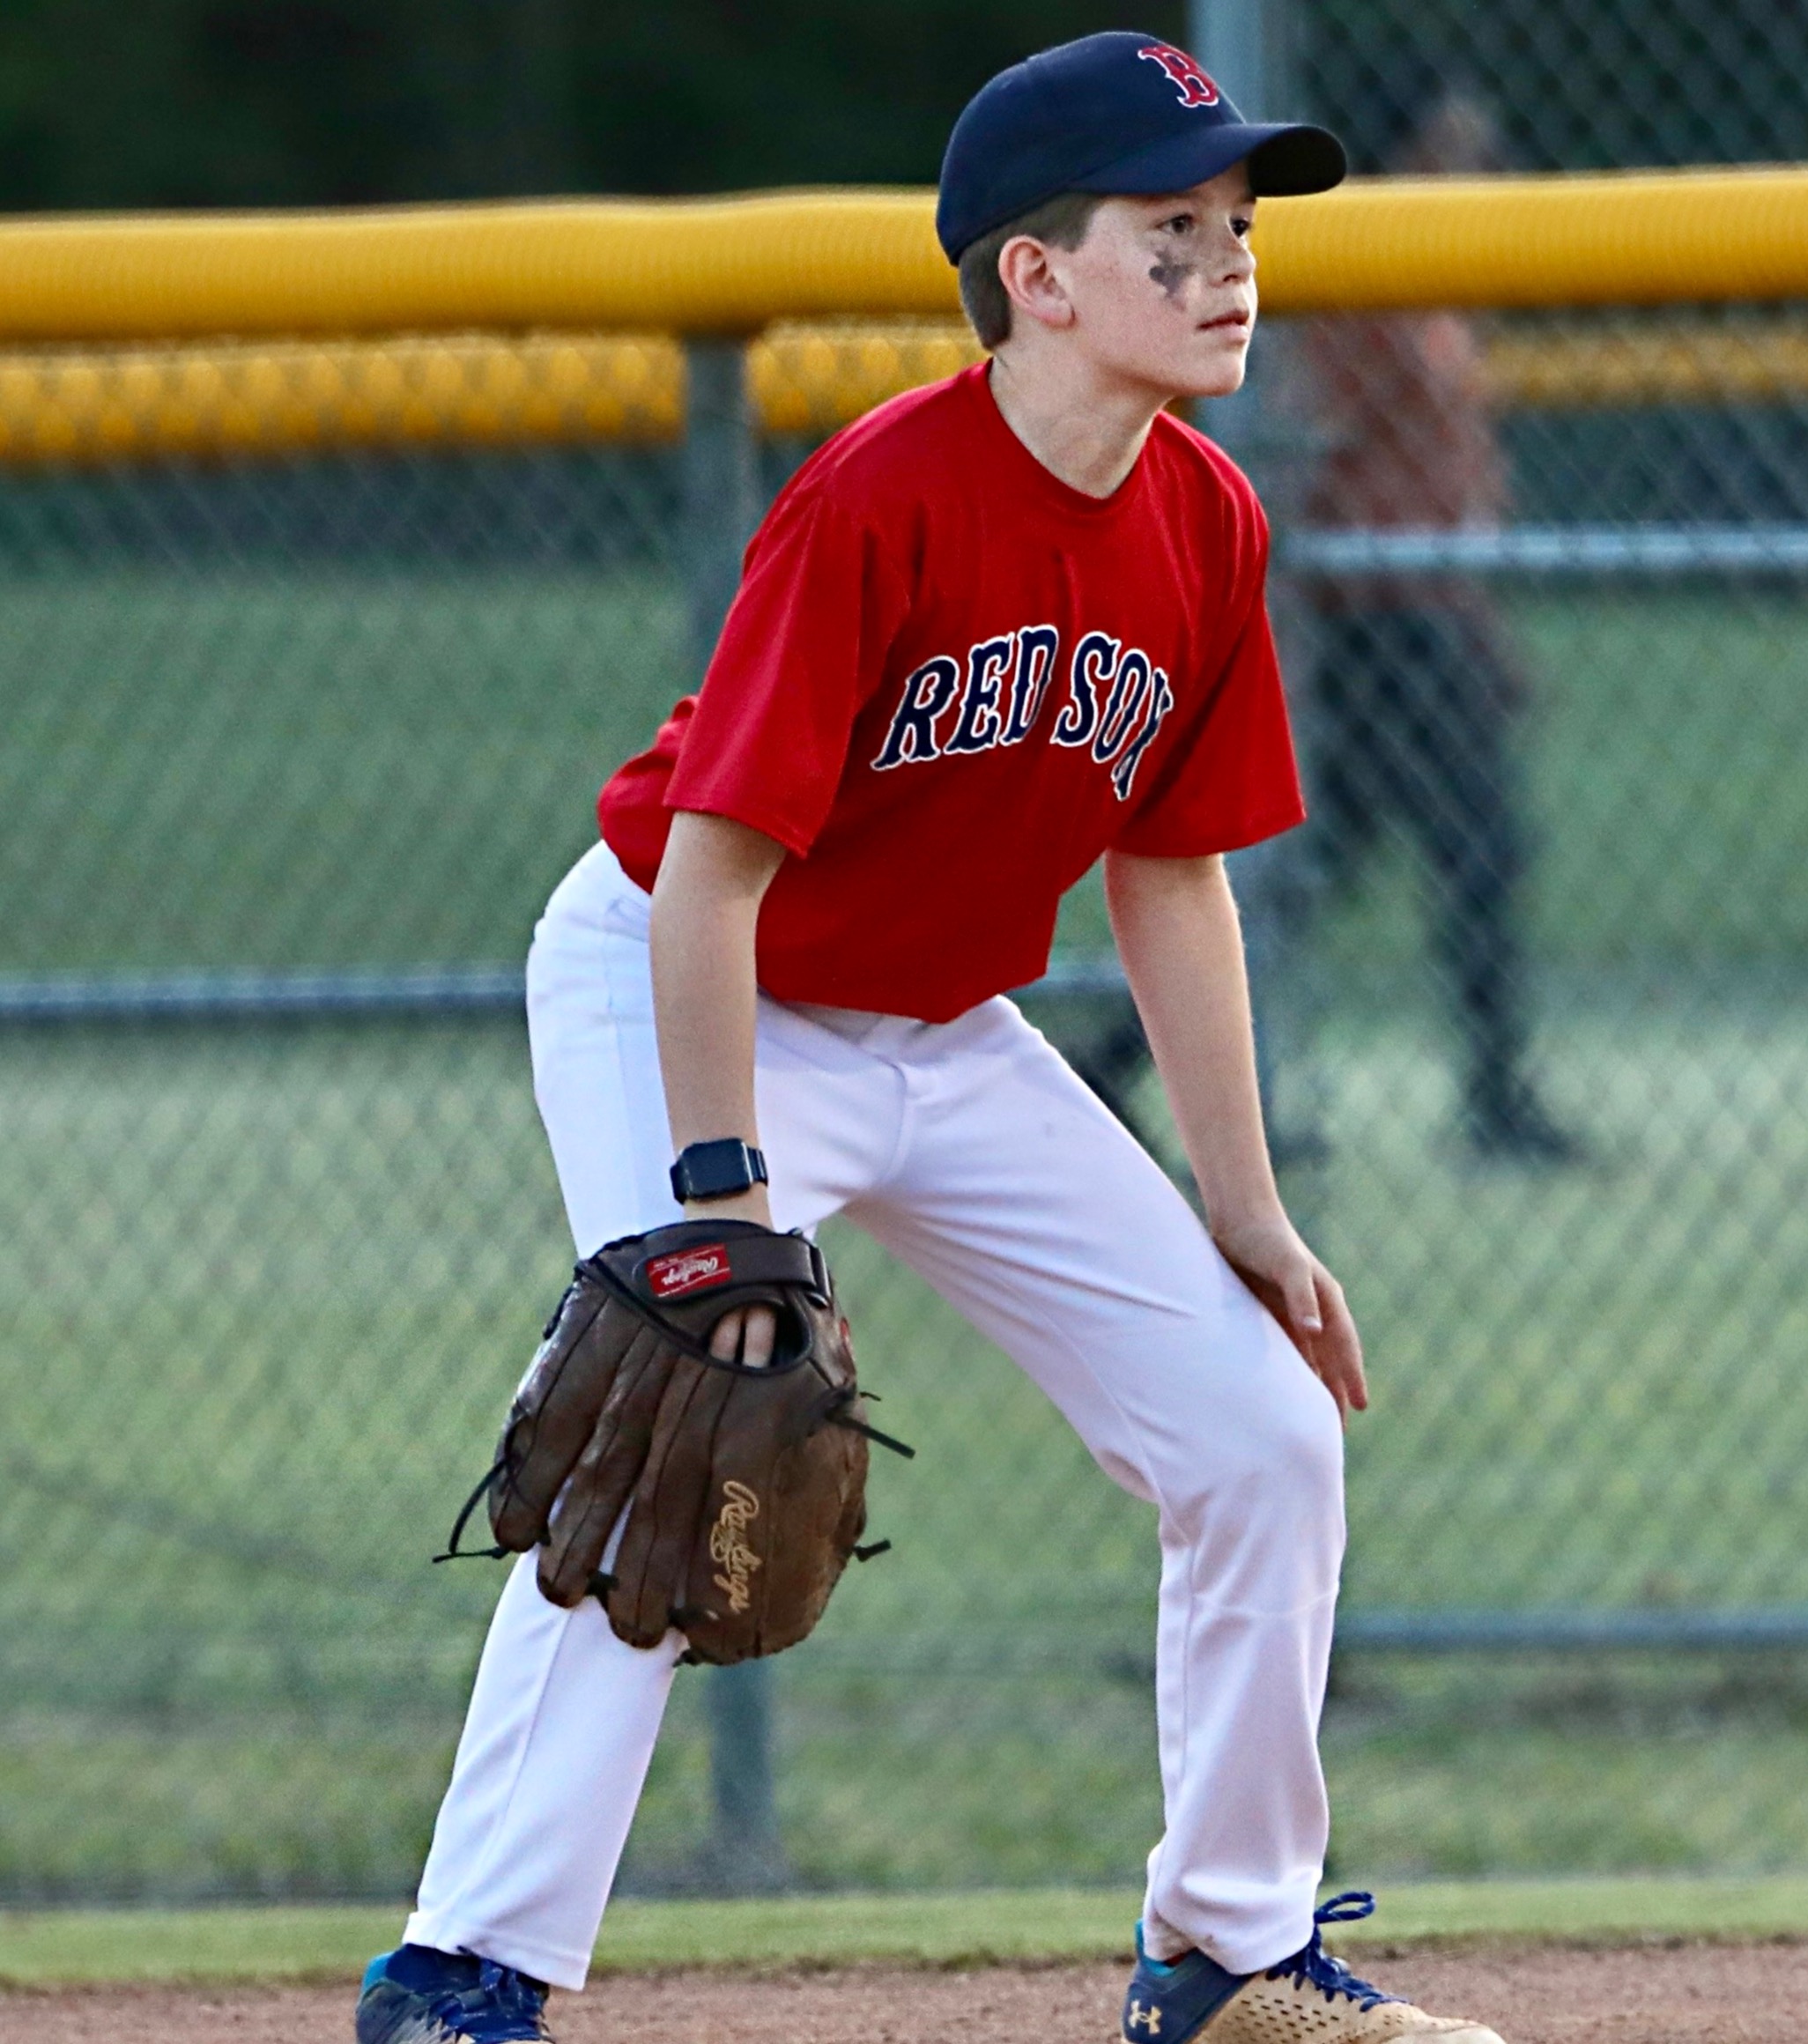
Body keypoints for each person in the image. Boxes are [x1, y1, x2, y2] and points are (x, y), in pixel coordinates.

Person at [352, 34, 1503, 2044]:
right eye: (1172, 229)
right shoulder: (881, 496)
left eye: (1237, 226)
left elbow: (1172, 878)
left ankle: (1228, 1956)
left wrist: (1244, 1208)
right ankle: (464, 1976)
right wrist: (718, 1210)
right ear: (1034, 277)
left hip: (944, 1032)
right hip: (683, 978)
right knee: (672, 1413)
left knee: (1262, 1432)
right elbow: (710, 880)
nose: (1230, 266)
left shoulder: (1210, 522)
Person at [1072, 90, 1580, 1166]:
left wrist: (1483, 624)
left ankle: (1108, 1066)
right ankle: (1494, 1101)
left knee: (1316, 869)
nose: (1481, 179)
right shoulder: (1367, 282)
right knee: (1472, 844)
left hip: (1431, 607)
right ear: (1404, 159)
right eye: (1457, 155)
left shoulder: (1438, 287)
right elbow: (1306, 453)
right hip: (1378, 619)